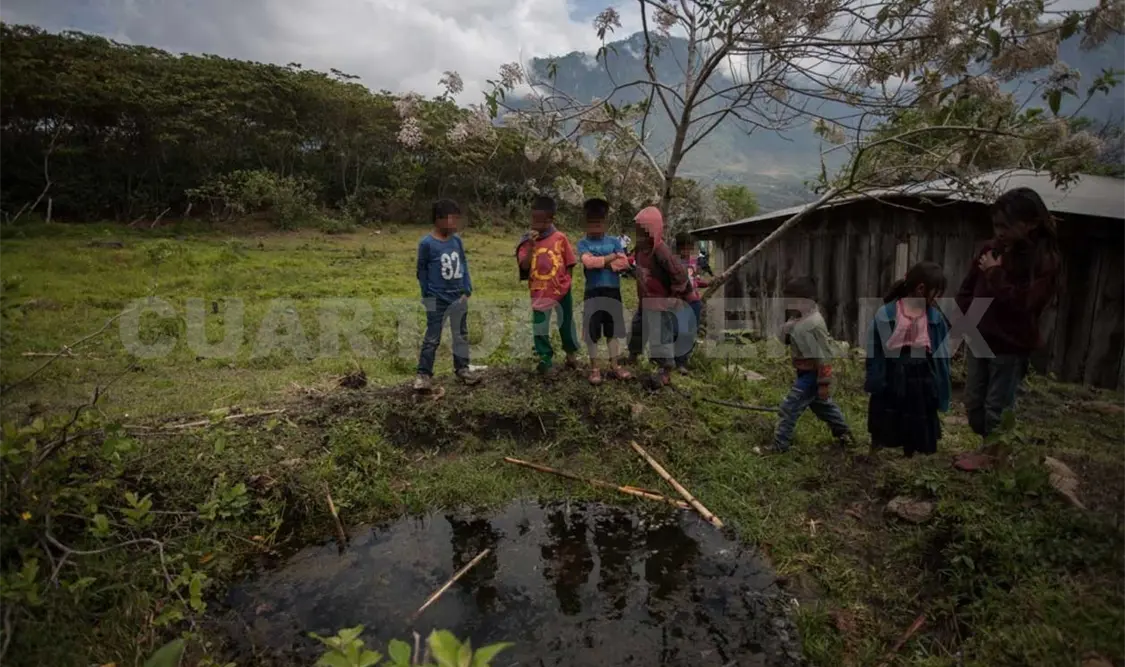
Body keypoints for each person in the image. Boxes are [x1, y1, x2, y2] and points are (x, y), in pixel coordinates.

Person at [955, 187, 1060, 438]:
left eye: (1006, 226)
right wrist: (969, 321)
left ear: (1031, 223)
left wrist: (995, 274)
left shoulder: (1043, 260)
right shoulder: (990, 250)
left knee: (997, 407)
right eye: (996, 225)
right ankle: (989, 447)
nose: (1000, 232)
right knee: (974, 404)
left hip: (1010, 344)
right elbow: (967, 290)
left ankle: (993, 454)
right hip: (979, 338)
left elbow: (1026, 302)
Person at [865, 261, 952, 457]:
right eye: (936, 293)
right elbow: (875, 348)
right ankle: (877, 447)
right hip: (892, 372)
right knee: (886, 411)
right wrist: (875, 377)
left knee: (917, 413)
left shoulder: (935, 318)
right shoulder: (887, 314)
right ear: (921, 289)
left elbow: (941, 354)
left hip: (921, 375)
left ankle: (910, 452)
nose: (938, 298)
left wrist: (941, 383)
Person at [772, 277, 852, 453]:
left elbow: (823, 356)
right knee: (823, 407)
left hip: (811, 375)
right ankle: (844, 433)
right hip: (804, 372)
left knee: (789, 408)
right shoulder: (800, 318)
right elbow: (786, 339)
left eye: (791, 301)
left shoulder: (814, 324)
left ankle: (780, 445)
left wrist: (823, 383)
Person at [414, 199, 480, 391]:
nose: (455, 223)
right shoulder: (427, 244)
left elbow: (463, 263)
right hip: (436, 299)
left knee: (460, 335)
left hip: (458, 297)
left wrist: (467, 289)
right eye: (452, 219)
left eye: (457, 219)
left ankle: (462, 369)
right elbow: (421, 271)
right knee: (432, 338)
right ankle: (424, 374)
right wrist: (427, 295)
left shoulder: (456, 241)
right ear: (439, 219)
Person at [627, 207, 697, 387]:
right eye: (638, 232)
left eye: (644, 233)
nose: (640, 237)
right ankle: (633, 355)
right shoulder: (639, 249)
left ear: (654, 232)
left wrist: (674, 296)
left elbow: (680, 275)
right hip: (645, 300)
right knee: (637, 328)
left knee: (661, 337)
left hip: (660, 303)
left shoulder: (661, 251)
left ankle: (666, 370)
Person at [516, 195, 581, 374]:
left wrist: (566, 284)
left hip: (561, 289)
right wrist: (531, 246)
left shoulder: (560, 238)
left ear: (550, 220)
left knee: (566, 322)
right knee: (540, 325)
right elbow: (524, 266)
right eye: (533, 219)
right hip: (539, 291)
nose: (534, 224)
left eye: (540, 221)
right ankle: (545, 359)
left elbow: (570, 262)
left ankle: (571, 354)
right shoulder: (526, 241)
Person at [577, 198, 632, 385]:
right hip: (593, 293)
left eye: (599, 223)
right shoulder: (583, 244)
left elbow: (624, 263)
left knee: (613, 331)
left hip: (613, 292)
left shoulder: (614, 241)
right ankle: (594, 368)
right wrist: (611, 258)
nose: (595, 227)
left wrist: (601, 262)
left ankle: (615, 365)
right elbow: (588, 263)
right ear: (586, 223)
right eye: (592, 223)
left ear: (605, 223)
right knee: (592, 332)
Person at [674, 232, 708, 374]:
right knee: (680, 330)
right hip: (680, 302)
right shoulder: (674, 263)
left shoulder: (693, 262)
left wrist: (708, 283)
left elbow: (695, 281)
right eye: (684, 248)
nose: (687, 252)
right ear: (678, 248)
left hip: (695, 301)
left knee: (691, 331)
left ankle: (683, 360)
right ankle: (676, 360)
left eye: (690, 248)